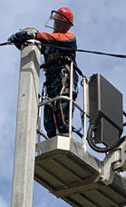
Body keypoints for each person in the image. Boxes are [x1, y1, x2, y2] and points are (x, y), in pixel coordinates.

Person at [9, 7, 77, 138]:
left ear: (65, 24)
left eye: (59, 21)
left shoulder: (68, 38)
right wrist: (21, 41)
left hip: (64, 79)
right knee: (49, 118)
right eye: (56, 20)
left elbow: (53, 38)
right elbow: (37, 47)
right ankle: (52, 137)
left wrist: (34, 35)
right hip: (51, 81)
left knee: (62, 111)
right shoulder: (48, 41)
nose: (56, 23)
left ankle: (64, 135)